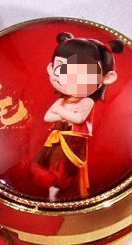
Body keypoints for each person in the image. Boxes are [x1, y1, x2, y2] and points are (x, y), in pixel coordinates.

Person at [30, 31, 123, 201]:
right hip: (55, 138)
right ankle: (49, 188)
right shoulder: (63, 100)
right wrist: (64, 113)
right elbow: (47, 117)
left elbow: (79, 119)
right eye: (61, 69)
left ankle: (56, 191)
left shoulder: (87, 101)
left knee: (63, 169)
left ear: (107, 78)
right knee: (43, 163)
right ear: (51, 69)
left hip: (73, 142)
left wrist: (60, 112)